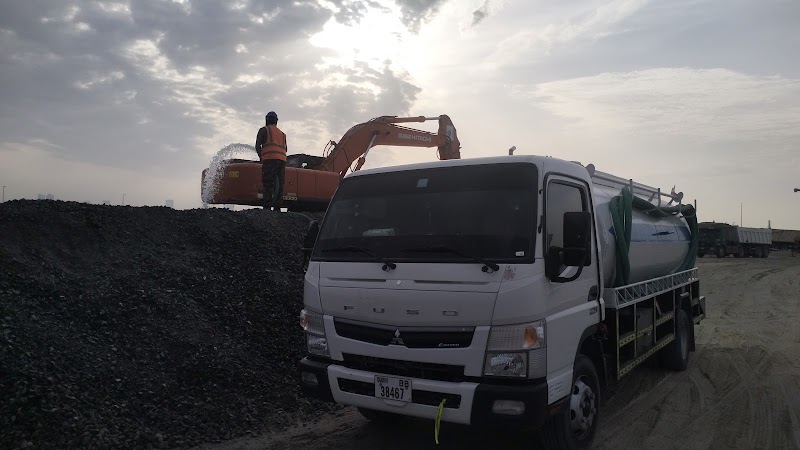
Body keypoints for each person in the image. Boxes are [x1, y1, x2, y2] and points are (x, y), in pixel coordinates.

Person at [254, 111, 287, 211]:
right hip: (281, 161)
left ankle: (267, 207)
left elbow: (257, 146)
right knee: (280, 184)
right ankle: (277, 207)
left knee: (268, 183)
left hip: (269, 159)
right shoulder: (282, 134)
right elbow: (286, 149)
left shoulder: (264, 130)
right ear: (276, 121)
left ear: (266, 120)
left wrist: (261, 158)